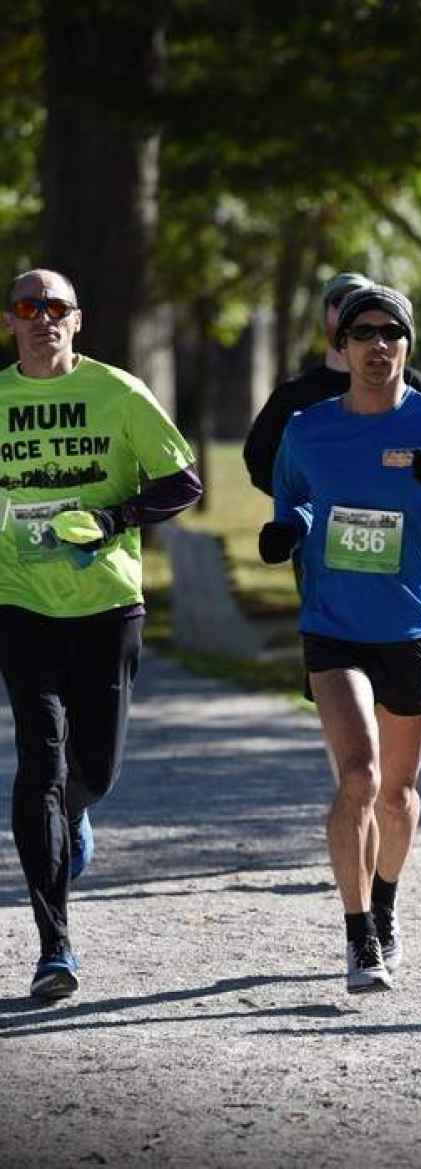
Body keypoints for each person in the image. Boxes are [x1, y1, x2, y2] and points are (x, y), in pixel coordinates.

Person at [258, 285, 421, 992]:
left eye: (390, 332)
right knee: (359, 776)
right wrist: (290, 532)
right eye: (362, 333)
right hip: (332, 626)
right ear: (341, 347)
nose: (377, 345)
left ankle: (387, 901)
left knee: (396, 794)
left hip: (405, 628)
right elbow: (298, 501)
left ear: (407, 344)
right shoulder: (307, 428)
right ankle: (358, 933)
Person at [0, 268, 202, 1000]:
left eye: (55, 307)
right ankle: (55, 948)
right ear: (10, 321)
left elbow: (183, 481)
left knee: (97, 768)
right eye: (28, 307)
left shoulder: (118, 392)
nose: (42, 318)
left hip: (108, 606)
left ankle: (75, 814)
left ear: (77, 321)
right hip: (19, 604)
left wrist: (114, 519)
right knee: (38, 764)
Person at [242, 271, 421, 499]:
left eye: (359, 301)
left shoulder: (412, 384)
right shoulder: (293, 396)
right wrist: (309, 503)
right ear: (325, 314)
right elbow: (259, 460)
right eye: (340, 302)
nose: (349, 308)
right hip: (315, 530)